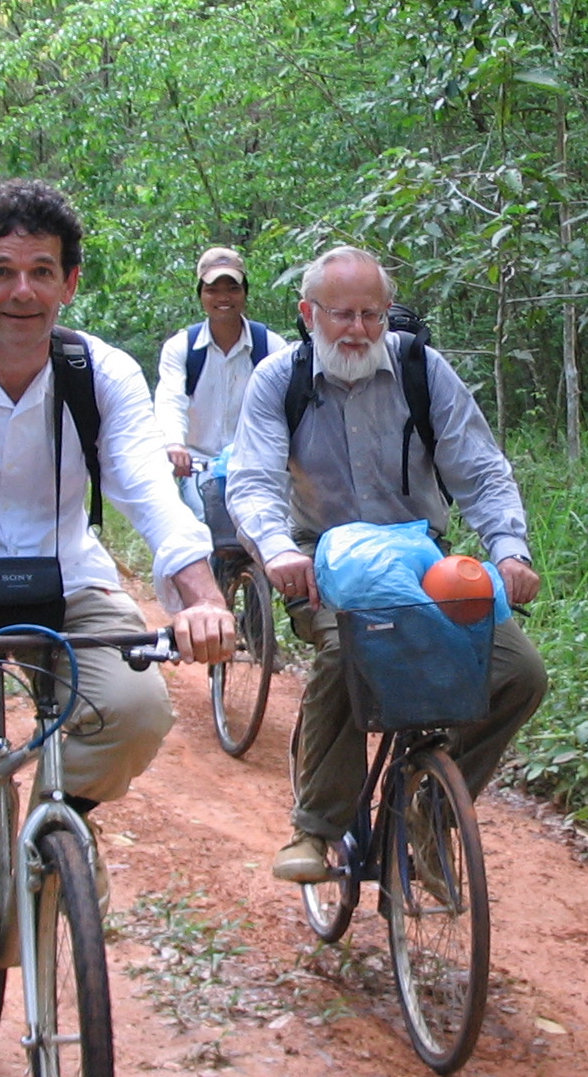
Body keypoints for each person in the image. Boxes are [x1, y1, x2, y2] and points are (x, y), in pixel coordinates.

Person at [0, 180, 238, 1061]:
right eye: (0, 272)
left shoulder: (98, 372)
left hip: (67, 575)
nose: (19, 291)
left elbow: (148, 486)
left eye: (39, 272)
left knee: (136, 710)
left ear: (69, 283)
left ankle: (52, 833)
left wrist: (202, 599)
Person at [227, 247, 546, 884]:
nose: (358, 329)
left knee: (519, 673)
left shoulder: (422, 371)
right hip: (319, 561)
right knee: (347, 655)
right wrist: (278, 549)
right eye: (342, 314)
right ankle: (316, 830)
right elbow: (254, 480)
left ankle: (433, 804)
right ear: (308, 313)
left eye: (372, 314)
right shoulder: (278, 381)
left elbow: (480, 470)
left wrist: (509, 549)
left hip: (420, 563)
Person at [152, 246, 284, 538]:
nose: (223, 298)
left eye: (232, 288)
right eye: (213, 290)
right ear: (201, 295)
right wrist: (175, 444)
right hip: (200, 466)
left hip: (254, 465)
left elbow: (285, 406)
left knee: (267, 533)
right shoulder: (182, 348)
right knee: (202, 530)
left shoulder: (270, 347)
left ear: (245, 293)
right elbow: (171, 398)